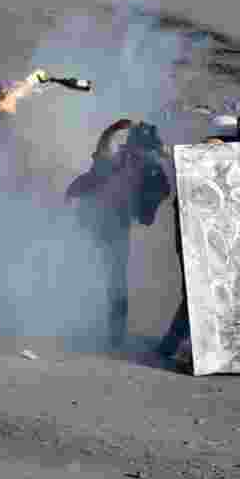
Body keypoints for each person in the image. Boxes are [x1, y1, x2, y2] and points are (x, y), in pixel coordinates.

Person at [65, 119, 172, 351]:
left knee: (115, 281)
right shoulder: (119, 159)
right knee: (84, 272)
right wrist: (113, 129)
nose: (141, 152)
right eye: (141, 147)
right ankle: (74, 323)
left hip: (116, 226)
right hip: (92, 219)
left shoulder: (151, 169)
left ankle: (114, 337)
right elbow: (101, 154)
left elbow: (163, 189)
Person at [155, 114, 240, 370]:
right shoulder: (206, 157)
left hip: (200, 238)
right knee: (200, 293)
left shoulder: (198, 158)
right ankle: (190, 351)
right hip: (200, 238)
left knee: (196, 293)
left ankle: (171, 346)